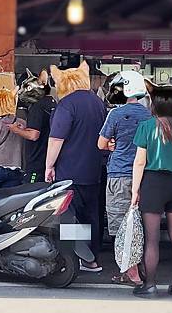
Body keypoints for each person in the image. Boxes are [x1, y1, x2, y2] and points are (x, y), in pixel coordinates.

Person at [131, 79, 172, 298]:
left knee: (151, 239)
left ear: (155, 104)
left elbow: (140, 162)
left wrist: (135, 191)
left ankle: (150, 285)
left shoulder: (146, 127)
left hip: (152, 184)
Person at [45, 61, 106, 272]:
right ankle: (94, 257)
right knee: (92, 215)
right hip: (94, 170)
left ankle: (79, 259)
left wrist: (49, 166)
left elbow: (56, 139)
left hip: (69, 171)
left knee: (70, 216)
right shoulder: (98, 103)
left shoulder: (67, 104)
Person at [97, 71, 151, 286]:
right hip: (145, 176)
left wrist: (112, 144)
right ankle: (143, 269)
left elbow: (101, 144)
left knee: (121, 226)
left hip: (119, 174)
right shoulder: (149, 115)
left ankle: (132, 274)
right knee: (141, 225)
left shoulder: (116, 115)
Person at [9, 68, 57, 183]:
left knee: (30, 195)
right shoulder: (51, 102)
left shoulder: (37, 106)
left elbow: (34, 135)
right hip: (48, 160)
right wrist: (25, 129)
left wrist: (16, 130)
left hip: (36, 164)